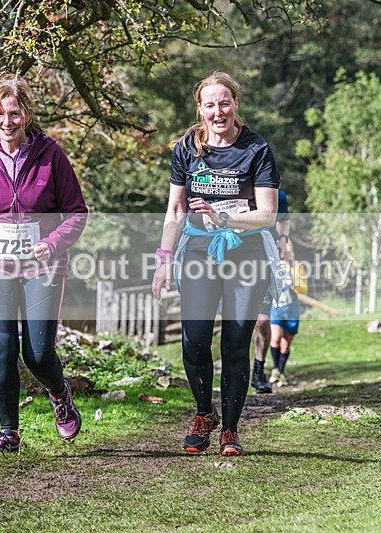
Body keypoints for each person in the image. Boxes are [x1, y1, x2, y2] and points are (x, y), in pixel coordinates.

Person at [0, 76, 88, 453]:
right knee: (0, 348)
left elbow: (76, 213)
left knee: (38, 355)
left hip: (43, 266)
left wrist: (52, 243)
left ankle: (60, 394)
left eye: (14, 113)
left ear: (26, 114)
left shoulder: (51, 154)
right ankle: (8, 432)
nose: (7, 121)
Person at [152, 72, 280, 456]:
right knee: (194, 339)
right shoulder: (187, 149)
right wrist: (164, 258)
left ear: (235, 104)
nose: (218, 111)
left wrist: (223, 217)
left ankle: (230, 429)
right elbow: (176, 210)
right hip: (198, 251)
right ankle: (204, 413)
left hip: (247, 252)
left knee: (236, 341)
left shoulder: (256, 148)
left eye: (224, 103)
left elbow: (268, 214)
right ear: (200, 108)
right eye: (210, 105)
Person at [250, 189, 291, 394]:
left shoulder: (276, 193)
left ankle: (258, 369)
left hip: (265, 261)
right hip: (233, 262)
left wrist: (282, 238)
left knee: (262, 321)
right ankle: (234, 370)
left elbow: (283, 218)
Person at [269, 246, 307, 386]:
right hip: (276, 308)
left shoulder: (296, 267)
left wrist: (295, 284)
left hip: (291, 310)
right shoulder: (270, 265)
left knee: (285, 345)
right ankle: (275, 369)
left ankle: (281, 372)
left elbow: (304, 289)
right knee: (275, 338)